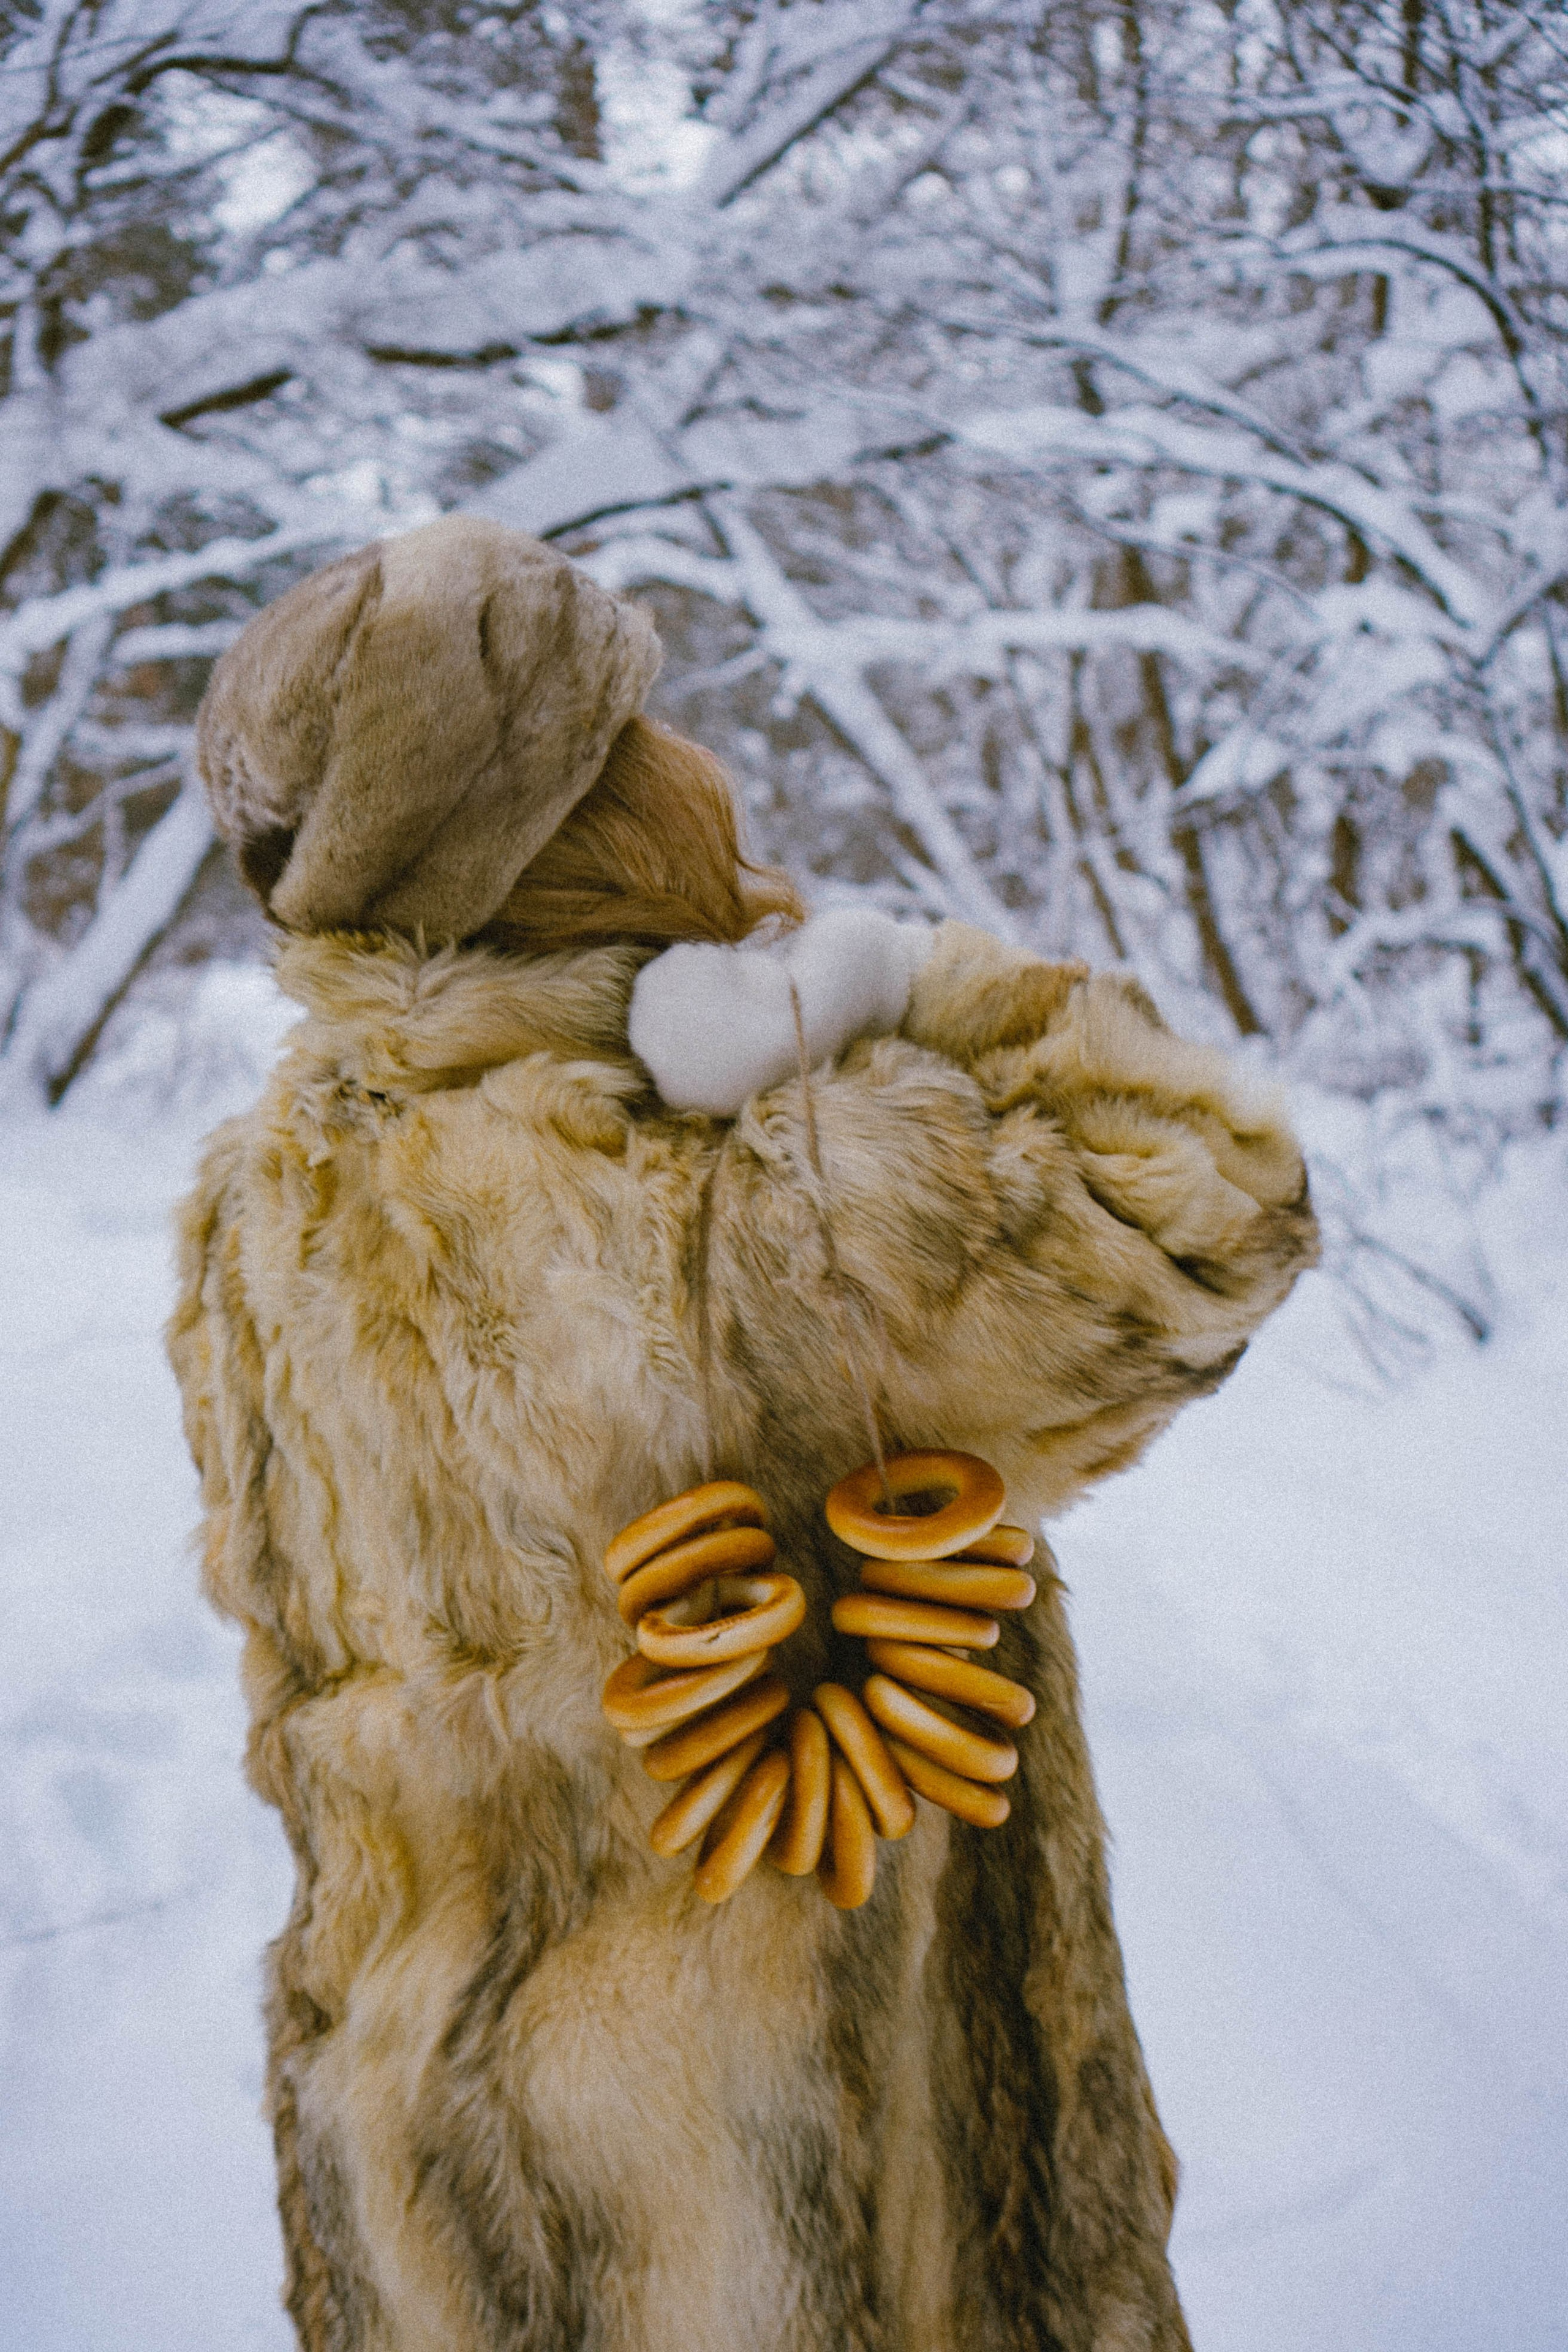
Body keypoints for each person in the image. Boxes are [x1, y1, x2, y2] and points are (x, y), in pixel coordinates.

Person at [168, 513, 1317, 2352]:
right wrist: (886, 981)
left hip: (437, 2185)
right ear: (572, 816)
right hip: (799, 2211)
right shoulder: (759, 1187)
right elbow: (1215, 1206)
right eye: (636, 732)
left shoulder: (265, 1194)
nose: (693, 765)